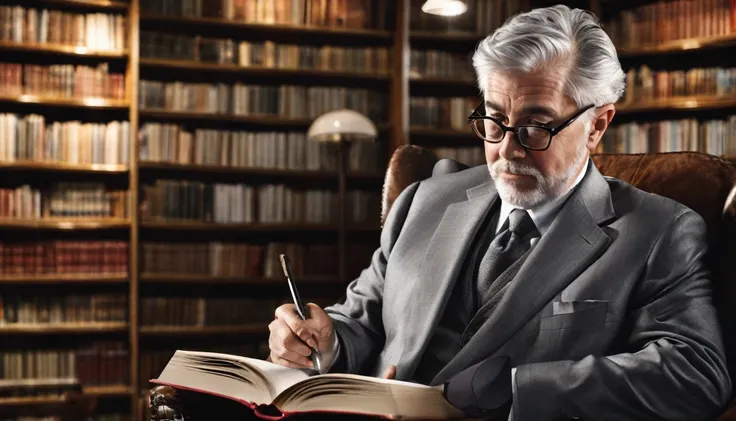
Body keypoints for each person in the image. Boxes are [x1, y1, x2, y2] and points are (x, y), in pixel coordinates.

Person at [267, 5, 733, 420]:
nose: (507, 149)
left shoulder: (659, 231)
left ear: (597, 125)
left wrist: (514, 388)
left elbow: (695, 373)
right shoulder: (424, 201)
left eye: (535, 126)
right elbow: (361, 323)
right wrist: (324, 343)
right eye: (493, 120)